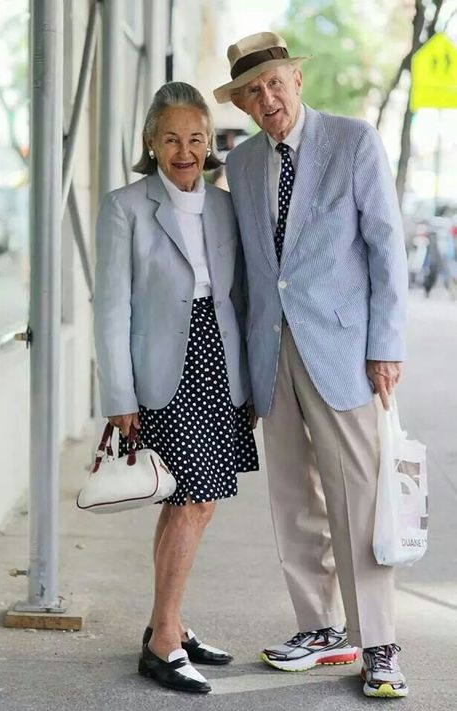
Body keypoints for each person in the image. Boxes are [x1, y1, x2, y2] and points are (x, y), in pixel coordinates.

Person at [214, 32, 409, 698]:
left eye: (274, 83)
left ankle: (378, 641)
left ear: (297, 77)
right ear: (241, 102)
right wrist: (241, 365)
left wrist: (387, 344)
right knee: (294, 497)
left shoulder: (352, 142)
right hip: (272, 353)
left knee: (358, 496)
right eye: (251, 91)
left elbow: (387, 248)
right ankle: (321, 627)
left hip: (344, 350)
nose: (266, 99)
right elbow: (244, 272)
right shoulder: (240, 166)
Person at [93, 81, 259, 695]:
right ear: (151, 142)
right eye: (172, 139)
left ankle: (169, 623)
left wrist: (248, 382)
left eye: (196, 138)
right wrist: (119, 396)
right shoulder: (124, 206)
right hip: (166, 372)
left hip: (219, 365)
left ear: (208, 143)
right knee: (188, 502)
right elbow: (111, 308)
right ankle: (163, 641)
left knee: (193, 501)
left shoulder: (221, 205)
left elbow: (237, 295)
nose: (185, 151)